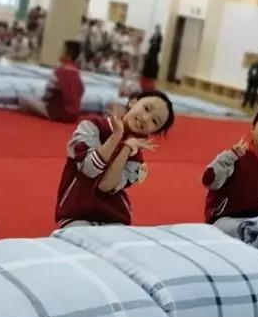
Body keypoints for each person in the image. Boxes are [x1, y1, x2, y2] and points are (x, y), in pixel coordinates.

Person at [54, 91, 175, 229]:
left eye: (154, 121)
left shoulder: (137, 161)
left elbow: (106, 186)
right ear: (133, 102)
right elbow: (89, 169)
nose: (146, 118)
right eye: (146, 108)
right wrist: (116, 136)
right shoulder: (92, 125)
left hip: (114, 216)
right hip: (75, 211)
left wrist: (126, 149)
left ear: (153, 132)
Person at [202, 109, 258, 237]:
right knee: (250, 232)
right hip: (225, 219)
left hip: (254, 217)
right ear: (253, 128)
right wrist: (229, 157)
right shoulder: (236, 156)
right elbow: (209, 181)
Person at [19, 40, 85, 123]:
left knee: (23, 99)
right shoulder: (78, 74)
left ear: (68, 56)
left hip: (56, 113)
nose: (59, 53)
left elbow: (47, 95)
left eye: (62, 51)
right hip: (73, 116)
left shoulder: (59, 73)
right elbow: (80, 92)